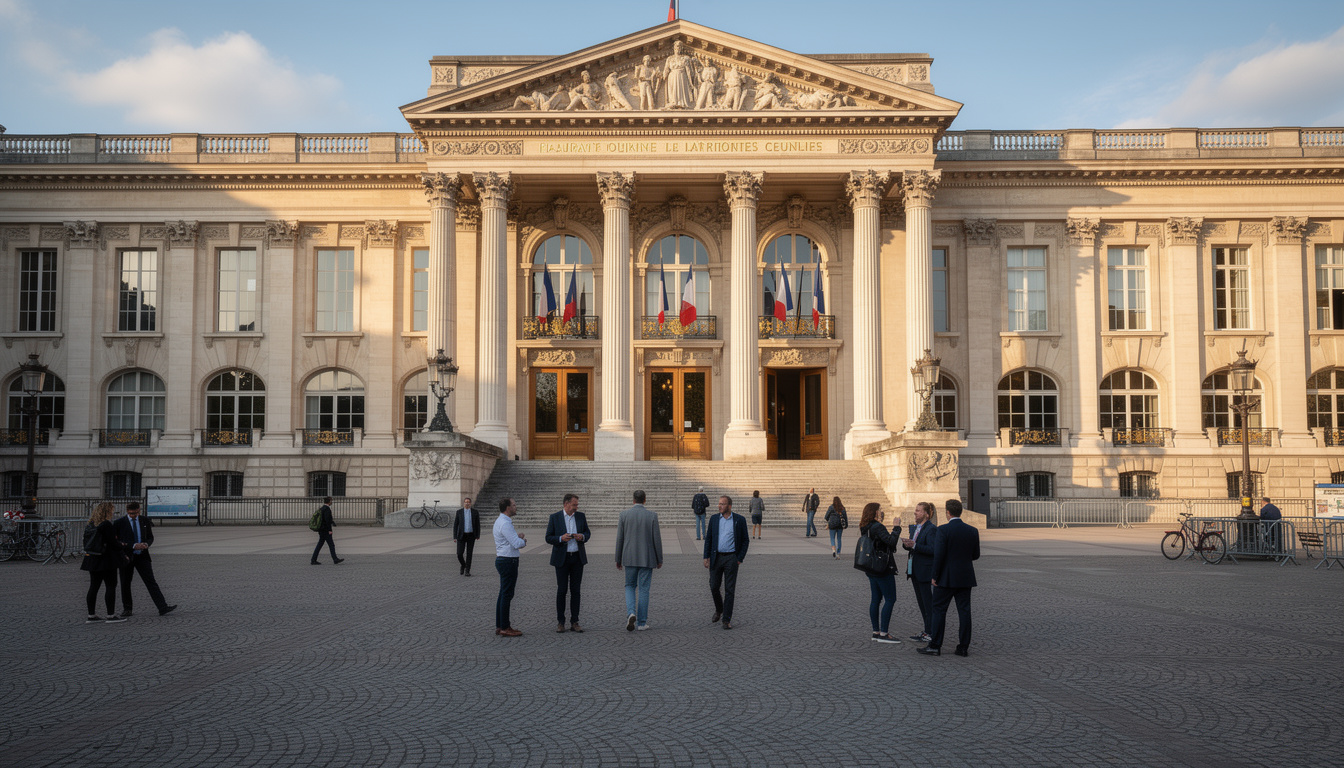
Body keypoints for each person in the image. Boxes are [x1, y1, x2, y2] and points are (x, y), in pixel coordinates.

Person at [919, 499, 980, 657]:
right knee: (964, 612)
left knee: (939, 611)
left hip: (945, 578)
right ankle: (963, 647)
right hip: (965, 577)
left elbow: (938, 555)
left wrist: (935, 576)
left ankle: (935, 645)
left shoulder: (943, 530)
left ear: (947, 512)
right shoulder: (972, 530)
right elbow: (976, 555)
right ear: (961, 512)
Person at [113, 501, 176, 618]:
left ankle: (162, 607)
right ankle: (127, 608)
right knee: (125, 583)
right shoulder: (119, 523)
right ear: (127, 512)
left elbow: (150, 537)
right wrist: (131, 545)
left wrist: (146, 544)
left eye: (136, 513)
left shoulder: (144, 520)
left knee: (151, 581)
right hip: (127, 556)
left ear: (139, 510)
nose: (134, 515)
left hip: (142, 556)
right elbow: (116, 541)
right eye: (132, 514)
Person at [615, 489, 663, 631]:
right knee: (644, 589)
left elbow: (620, 539)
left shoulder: (624, 515)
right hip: (647, 558)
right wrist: (659, 558)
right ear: (645, 500)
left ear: (633, 500)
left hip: (629, 556)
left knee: (629, 586)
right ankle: (642, 622)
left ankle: (631, 612)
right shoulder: (652, 516)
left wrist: (618, 558)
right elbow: (657, 539)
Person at [545, 493, 591, 633]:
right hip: (562, 559)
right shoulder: (555, 517)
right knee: (562, 590)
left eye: (577, 505)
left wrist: (581, 536)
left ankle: (575, 621)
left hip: (577, 558)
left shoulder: (580, 516)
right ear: (566, 504)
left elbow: (587, 533)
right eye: (574, 505)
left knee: (576, 590)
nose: (576, 507)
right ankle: (561, 622)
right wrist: (560, 538)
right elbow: (548, 537)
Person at [858, 502, 903, 644]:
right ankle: (884, 633)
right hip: (882, 568)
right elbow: (891, 542)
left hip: (871, 567)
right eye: (880, 510)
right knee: (890, 599)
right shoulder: (878, 527)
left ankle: (875, 631)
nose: (881, 512)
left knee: (875, 600)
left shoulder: (865, 526)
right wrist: (896, 527)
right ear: (875, 512)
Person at [703, 495, 749, 630]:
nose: (719, 506)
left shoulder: (739, 520)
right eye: (719, 504)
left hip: (731, 558)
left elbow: (746, 540)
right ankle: (719, 608)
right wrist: (706, 556)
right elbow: (709, 539)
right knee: (713, 586)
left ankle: (726, 619)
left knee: (730, 590)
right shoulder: (714, 519)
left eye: (722, 504)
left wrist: (739, 558)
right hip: (716, 557)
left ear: (729, 506)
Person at [81, 502, 126, 623]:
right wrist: (122, 545)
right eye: (111, 510)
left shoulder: (91, 524)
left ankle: (91, 615)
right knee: (110, 585)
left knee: (94, 586)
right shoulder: (106, 524)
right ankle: (110, 615)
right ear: (107, 511)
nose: (112, 512)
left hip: (92, 558)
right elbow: (113, 542)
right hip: (106, 559)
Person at [901, 501, 938, 643]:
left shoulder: (931, 529)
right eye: (915, 510)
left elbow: (933, 550)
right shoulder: (916, 528)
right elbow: (914, 547)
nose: (915, 512)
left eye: (918, 510)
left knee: (928, 604)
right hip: (915, 571)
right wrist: (908, 545)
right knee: (922, 604)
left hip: (924, 571)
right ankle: (927, 630)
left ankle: (931, 632)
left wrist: (915, 545)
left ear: (926, 514)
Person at [493, 498, 526, 637]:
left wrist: (515, 538)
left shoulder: (501, 521)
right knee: (507, 594)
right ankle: (505, 627)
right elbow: (517, 544)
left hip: (504, 559)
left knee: (503, 594)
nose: (516, 506)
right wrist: (522, 540)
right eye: (514, 505)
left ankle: (500, 625)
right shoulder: (505, 523)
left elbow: (510, 540)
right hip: (508, 561)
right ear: (507, 508)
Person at [453, 496, 482, 576]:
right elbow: (456, 525)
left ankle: (467, 570)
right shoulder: (459, 512)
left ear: (470, 503)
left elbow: (477, 524)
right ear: (463, 503)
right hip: (461, 535)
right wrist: (455, 536)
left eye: (468, 502)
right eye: (465, 502)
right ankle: (463, 565)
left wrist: (478, 534)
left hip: (471, 535)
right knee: (459, 553)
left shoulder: (475, 512)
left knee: (469, 554)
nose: (467, 503)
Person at [310, 497, 343, 565]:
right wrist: (329, 530)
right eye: (331, 501)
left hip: (321, 529)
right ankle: (335, 559)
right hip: (325, 530)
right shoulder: (327, 509)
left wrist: (332, 522)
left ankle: (313, 559)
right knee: (331, 545)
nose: (332, 502)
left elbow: (325, 519)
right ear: (329, 501)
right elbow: (327, 520)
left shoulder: (322, 508)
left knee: (320, 545)